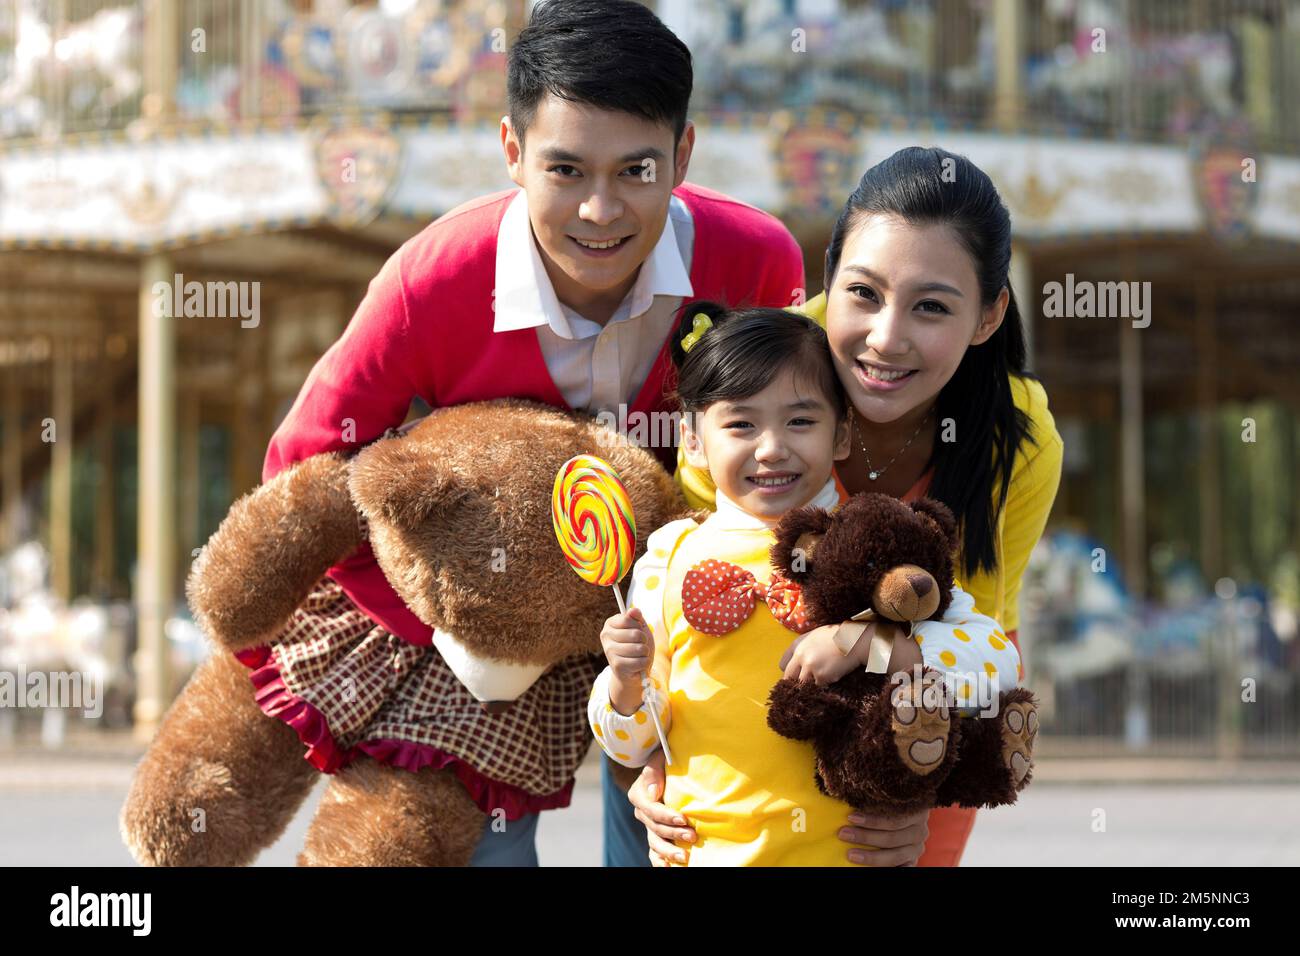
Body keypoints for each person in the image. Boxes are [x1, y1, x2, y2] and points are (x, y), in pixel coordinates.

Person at [254, 0, 804, 866]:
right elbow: (303, 463)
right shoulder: (432, 284)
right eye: (564, 169)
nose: (599, 210)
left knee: (680, 845)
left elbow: (785, 458)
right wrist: (445, 614)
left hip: (681, 630)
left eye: (635, 170)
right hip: (486, 641)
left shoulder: (755, 263)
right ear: (511, 152)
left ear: (683, 155)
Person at [612, 146, 1064, 867]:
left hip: (921, 730)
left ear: (988, 315)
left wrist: (874, 651)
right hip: (724, 785)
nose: (885, 337)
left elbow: (982, 641)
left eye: (932, 307)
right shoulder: (757, 387)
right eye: (863, 294)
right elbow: (693, 641)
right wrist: (651, 764)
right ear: (827, 284)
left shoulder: (1023, 439)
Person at [587, 301, 1024, 865]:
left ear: (841, 433)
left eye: (800, 420)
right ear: (692, 440)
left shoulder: (884, 541)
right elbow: (635, 742)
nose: (771, 447)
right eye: (741, 423)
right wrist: (623, 684)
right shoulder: (668, 560)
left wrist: (869, 644)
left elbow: (995, 669)